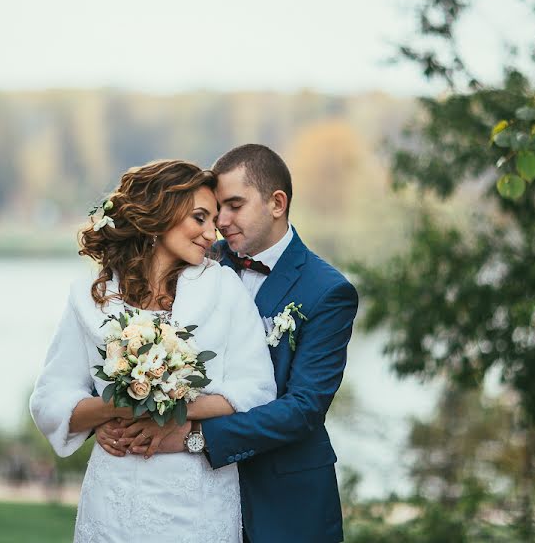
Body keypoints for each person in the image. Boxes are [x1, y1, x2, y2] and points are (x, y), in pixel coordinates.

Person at [97, 145, 359, 543]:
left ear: (277, 202)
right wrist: (111, 420)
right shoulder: (199, 260)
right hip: (197, 499)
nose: (220, 221)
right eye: (217, 208)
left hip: (282, 497)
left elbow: (304, 408)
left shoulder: (327, 291)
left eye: (234, 205)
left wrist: (191, 435)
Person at [29, 160, 276, 542]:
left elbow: (256, 389)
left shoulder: (224, 289)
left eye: (214, 220)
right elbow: (51, 400)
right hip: (114, 496)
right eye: (200, 218)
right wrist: (114, 409)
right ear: (160, 213)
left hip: (197, 499)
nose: (212, 233)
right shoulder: (90, 299)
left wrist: (173, 412)